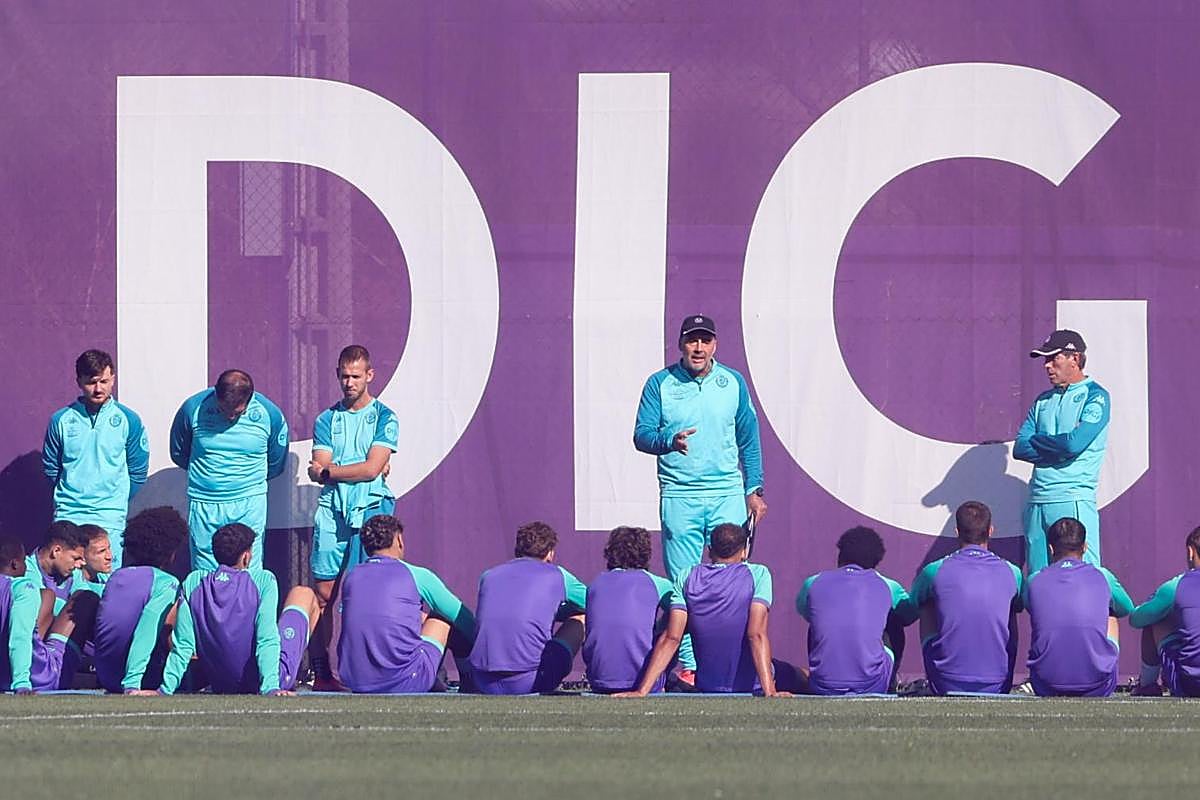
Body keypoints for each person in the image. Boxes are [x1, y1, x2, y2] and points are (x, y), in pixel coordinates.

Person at [633, 314, 766, 680]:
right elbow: (641, 435)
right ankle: (692, 668)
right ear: (681, 344)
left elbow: (749, 439)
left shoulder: (732, 382)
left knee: (733, 579)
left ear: (715, 345)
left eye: (705, 340)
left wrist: (753, 489)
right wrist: (667, 441)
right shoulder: (660, 384)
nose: (698, 347)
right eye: (692, 340)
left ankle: (734, 661)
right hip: (680, 493)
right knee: (684, 582)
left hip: (726, 491)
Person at [306, 345, 398, 688]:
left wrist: (332, 471)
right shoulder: (326, 419)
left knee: (366, 594)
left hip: (372, 509)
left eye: (355, 376)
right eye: (344, 376)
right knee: (324, 594)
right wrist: (343, 471)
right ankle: (322, 672)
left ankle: (364, 670)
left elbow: (372, 469)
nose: (349, 383)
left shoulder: (385, 417)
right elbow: (320, 467)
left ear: (369, 375)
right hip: (333, 511)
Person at [619, 523, 792, 697]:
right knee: (800, 675)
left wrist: (642, 691)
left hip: (708, 685)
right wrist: (770, 690)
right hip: (755, 685)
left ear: (709, 550)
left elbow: (672, 637)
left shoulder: (687, 576)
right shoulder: (759, 574)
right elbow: (756, 634)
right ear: (744, 551)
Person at [144, 523, 317, 696]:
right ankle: (319, 674)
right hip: (267, 681)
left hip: (222, 684)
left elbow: (182, 644)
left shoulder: (193, 582)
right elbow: (267, 638)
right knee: (304, 594)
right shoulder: (263, 580)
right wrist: (271, 688)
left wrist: (164, 690)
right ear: (246, 557)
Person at [338, 515, 475, 694]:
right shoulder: (416, 574)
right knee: (443, 617)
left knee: (417, 618)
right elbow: (463, 618)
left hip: (355, 681)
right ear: (399, 540)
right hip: (406, 682)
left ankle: (435, 681)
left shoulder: (352, 577)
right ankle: (471, 683)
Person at [898, 501, 1023, 695]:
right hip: (998, 684)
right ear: (990, 531)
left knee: (927, 605)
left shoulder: (934, 570)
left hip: (946, 683)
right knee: (1011, 610)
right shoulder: (1012, 572)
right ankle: (1003, 673)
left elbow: (910, 610)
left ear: (957, 531)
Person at [170, 369, 289, 570]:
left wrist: (244, 481)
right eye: (224, 409)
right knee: (204, 570)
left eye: (237, 412)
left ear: (250, 399)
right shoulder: (193, 408)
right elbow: (179, 452)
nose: (230, 416)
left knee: (248, 569)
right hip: (205, 502)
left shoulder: (270, 414)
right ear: (216, 394)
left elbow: (276, 462)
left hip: (249, 502)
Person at [42, 349, 149, 569]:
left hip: (110, 515)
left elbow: (138, 471)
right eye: (91, 382)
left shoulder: (129, 420)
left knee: (107, 582)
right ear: (79, 381)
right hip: (69, 512)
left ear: (113, 380)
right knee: (67, 580)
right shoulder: (61, 420)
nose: (98, 388)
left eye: (104, 381)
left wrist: (114, 500)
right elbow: (51, 467)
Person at [1013, 329, 1110, 572]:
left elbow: (1074, 444)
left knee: (1083, 579)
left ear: (1074, 359)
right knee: (1036, 583)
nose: (1047, 366)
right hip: (1037, 502)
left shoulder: (1096, 396)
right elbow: (1020, 448)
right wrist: (1059, 447)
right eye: (1045, 360)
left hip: (1072, 498)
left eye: (1053, 358)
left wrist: (1043, 441)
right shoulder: (1042, 400)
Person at [468, 522, 586, 695]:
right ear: (550, 554)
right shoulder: (558, 575)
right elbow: (596, 604)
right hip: (530, 683)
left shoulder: (489, 575)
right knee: (582, 617)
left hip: (482, 681)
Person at [1022, 517, 1132, 697]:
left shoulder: (1034, 579)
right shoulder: (1103, 576)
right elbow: (1126, 608)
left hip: (1045, 685)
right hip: (1098, 686)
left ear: (1050, 549)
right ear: (1085, 547)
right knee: (1110, 615)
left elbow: (1030, 607)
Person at [796, 526, 909, 695]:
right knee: (893, 620)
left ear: (840, 555)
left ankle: (824, 674)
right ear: (876, 562)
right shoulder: (888, 585)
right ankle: (890, 680)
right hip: (873, 685)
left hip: (823, 686)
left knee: (816, 621)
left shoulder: (813, 582)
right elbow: (909, 615)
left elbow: (804, 611)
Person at [93, 506, 188, 694]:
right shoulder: (166, 582)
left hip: (105, 676)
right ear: (171, 552)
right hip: (140, 677)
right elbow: (147, 629)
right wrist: (132, 683)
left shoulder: (116, 576)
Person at [582, 526, 676, 694]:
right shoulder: (658, 584)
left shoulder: (595, 584)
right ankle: (661, 681)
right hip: (641, 683)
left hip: (598, 680)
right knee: (676, 622)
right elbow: (684, 618)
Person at [0, 535, 99, 693]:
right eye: (24, 561)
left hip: (6, 675)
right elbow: (20, 636)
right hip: (39, 678)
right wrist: (21, 683)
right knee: (85, 599)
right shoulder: (24, 588)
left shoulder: (73, 576)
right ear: (15, 563)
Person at [1129, 525, 1200, 697]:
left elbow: (1137, 619)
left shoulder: (1177, 585)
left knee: (1156, 620)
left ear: (1190, 552)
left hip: (1191, 686)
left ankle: (1147, 686)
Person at [24, 520, 89, 614]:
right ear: (56, 551)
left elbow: (85, 597)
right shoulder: (27, 570)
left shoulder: (74, 572)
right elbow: (38, 603)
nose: (80, 564)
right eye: (75, 558)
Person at [76, 524, 113, 595]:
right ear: (82, 556)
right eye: (101, 551)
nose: (109, 557)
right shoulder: (73, 584)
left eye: (109, 548)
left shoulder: (107, 579)